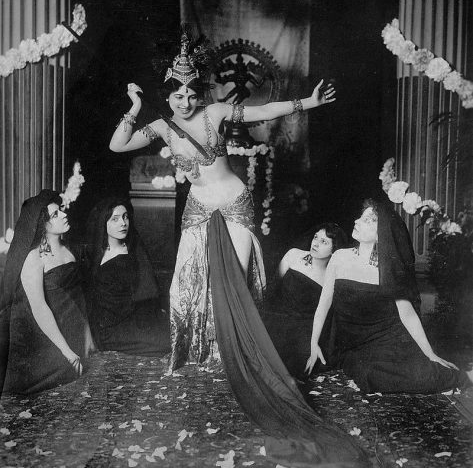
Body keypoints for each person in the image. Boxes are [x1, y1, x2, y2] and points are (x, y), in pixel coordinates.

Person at [109, 31, 336, 370]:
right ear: (168, 95)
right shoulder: (161, 126)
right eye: (178, 96)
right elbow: (117, 145)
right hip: (198, 207)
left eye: (190, 95)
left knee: (234, 280)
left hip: (234, 203)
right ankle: (199, 348)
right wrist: (136, 107)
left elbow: (264, 111)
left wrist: (308, 103)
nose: (184, 102)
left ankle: (233, 350)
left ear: (199, 94)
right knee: (185, 284)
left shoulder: (214, 112)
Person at [305, 199, 471, 393]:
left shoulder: (387, 268)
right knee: (359, 370)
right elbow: (324, 302)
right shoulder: (339, 257)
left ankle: (464, 376)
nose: (357, 221)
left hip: (386, 338)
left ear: (380, 233)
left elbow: (407, 314)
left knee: (379, 375)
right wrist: (313, 342)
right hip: (350, 344)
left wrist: (430, 353)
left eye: (368, 220)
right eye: (360, 216)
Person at [0, 190, 91, 395]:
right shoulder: (34, 258)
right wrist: (66, 352)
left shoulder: (70, 251)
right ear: (42, 224)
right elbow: (40, 308)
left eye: (60, 211)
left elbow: (79, 300)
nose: (64, 215)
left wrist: (87, 335)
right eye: (55, 215)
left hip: (71, 328)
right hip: (42, 337)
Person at [85, 196, 170, 356]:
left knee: (167, 340)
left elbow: (148, 292)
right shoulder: (93, 254)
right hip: (106, 327)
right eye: (114, 219)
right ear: (104, 223)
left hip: (133, 319)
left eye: (125, 217)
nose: (123, 223)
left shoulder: (134, 250)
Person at [263, 223, 348, 377]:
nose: (315, 243)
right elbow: (273, 288)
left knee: (301, 364)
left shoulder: (332, 277)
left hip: (305, 328)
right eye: (316, 237)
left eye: (324, 242)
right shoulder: (293, 255)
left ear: (334, 250)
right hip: (278, 318)